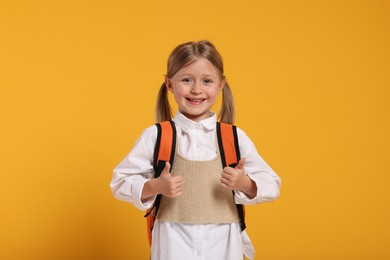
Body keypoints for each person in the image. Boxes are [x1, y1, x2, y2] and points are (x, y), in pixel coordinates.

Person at [110, 40, 281, 260]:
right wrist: (155, 186)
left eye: (207, 81)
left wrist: (244, 183)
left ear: (221, 85)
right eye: (187, 80)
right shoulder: (157, 136)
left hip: (224, 242)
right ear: (169, 84)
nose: (196, 89)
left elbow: (272, 183)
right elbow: (120, 182)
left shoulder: (234, 138)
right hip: (172, 241)